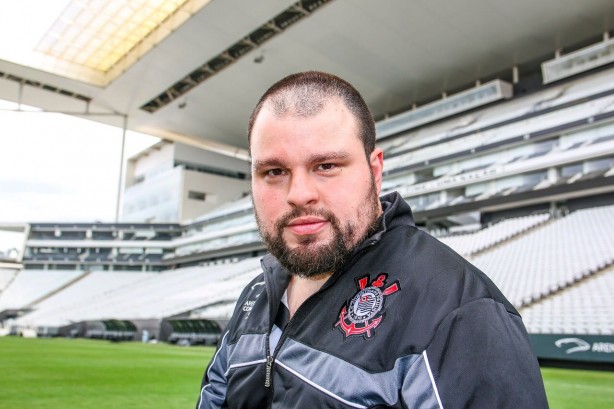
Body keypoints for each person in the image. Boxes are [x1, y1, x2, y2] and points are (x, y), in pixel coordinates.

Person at [196, 71, 549, 409]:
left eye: (327, 166)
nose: (299, 194)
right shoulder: (257, 294)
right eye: (274, 172)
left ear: (375, 172)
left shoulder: (456, 313)